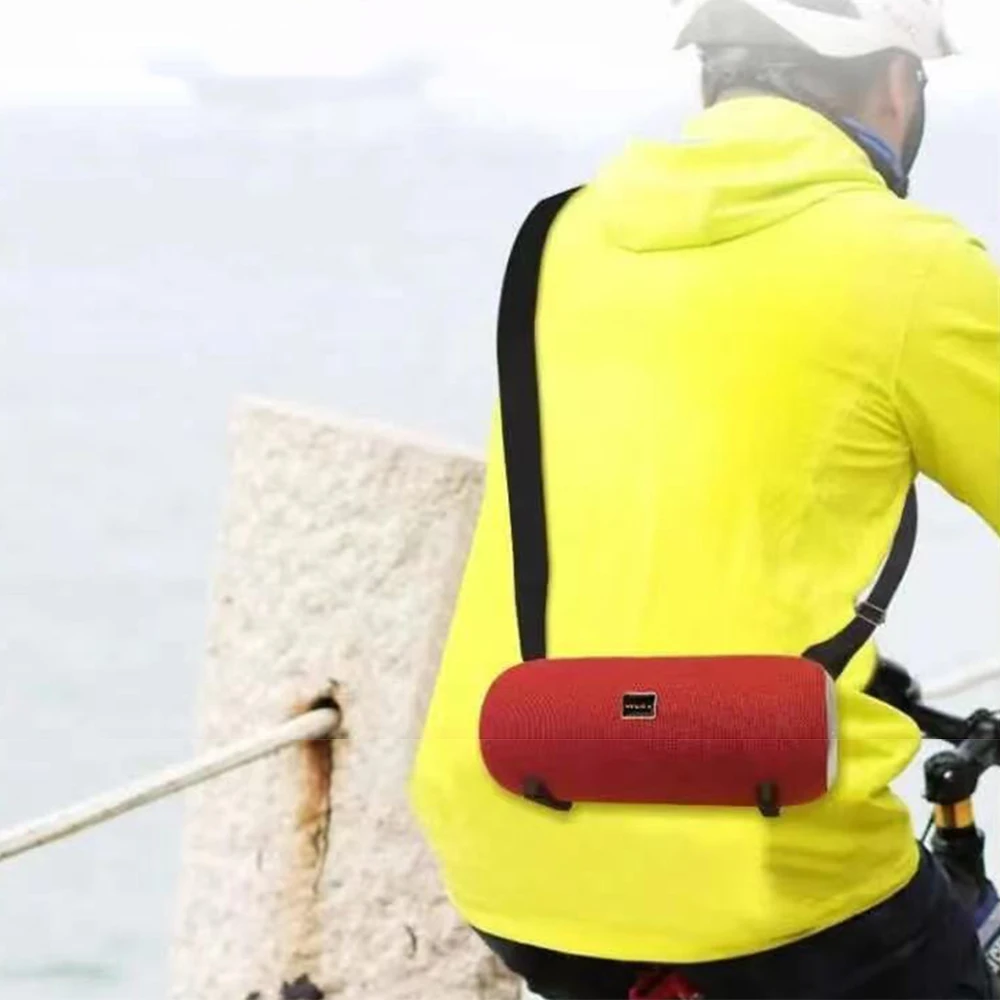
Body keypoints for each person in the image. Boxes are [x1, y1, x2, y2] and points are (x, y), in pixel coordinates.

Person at [409, 0, 1000, 996]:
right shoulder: (913, 263)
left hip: (514, 833)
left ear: (713, 77)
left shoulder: (555, 235)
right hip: (766, 866)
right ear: (899, 87)